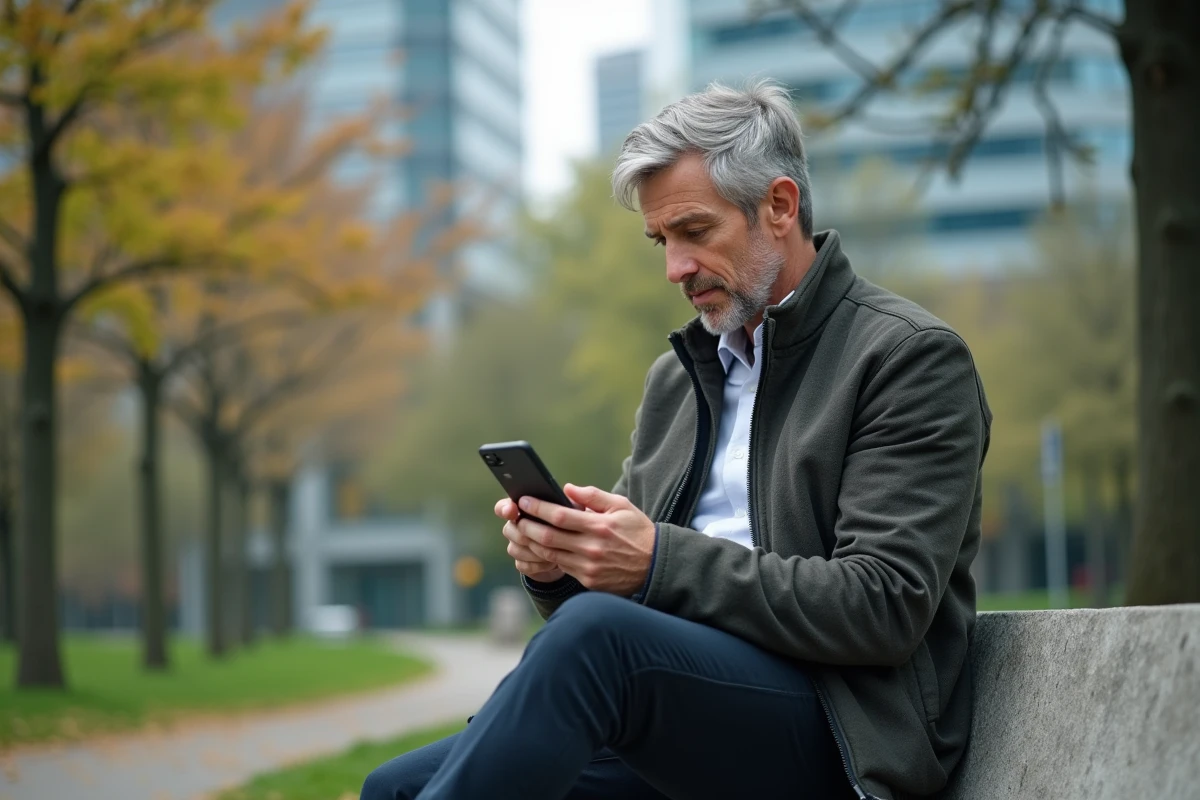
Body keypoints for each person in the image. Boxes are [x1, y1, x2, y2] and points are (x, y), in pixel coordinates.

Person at [362, 80, 992, 800]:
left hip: (843, 733)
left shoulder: (907, 358)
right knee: (393, 786)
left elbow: (884, 607)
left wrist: (657, 559)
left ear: (779, 206)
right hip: (681, 718)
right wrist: (559, 565)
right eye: (663, 241)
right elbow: (617, 603)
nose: (675, 269)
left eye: (695, 232)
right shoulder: (678, 379)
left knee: (598, 639)